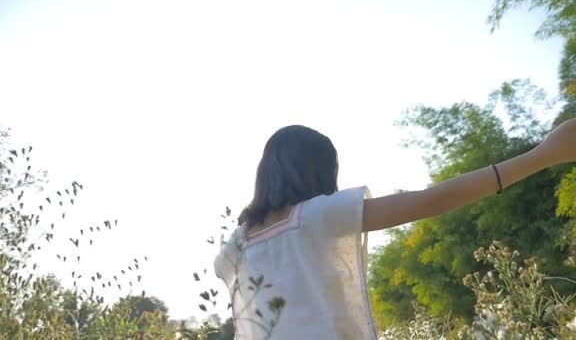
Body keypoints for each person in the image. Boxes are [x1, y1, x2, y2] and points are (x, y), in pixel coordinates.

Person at [214, 119, 576, 339]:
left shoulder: (235, 248)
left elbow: (222, 269)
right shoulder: (316, 216)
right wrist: (543, 154)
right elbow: (432, 201)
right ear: (319, 172)